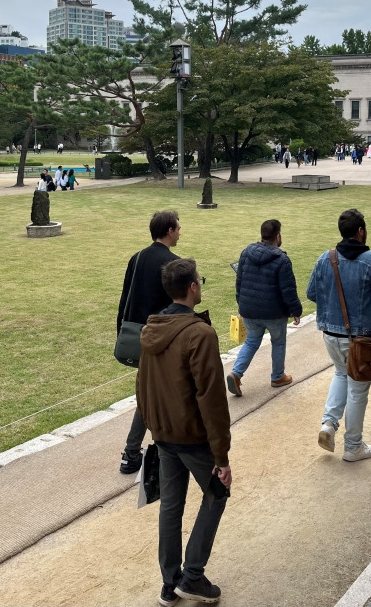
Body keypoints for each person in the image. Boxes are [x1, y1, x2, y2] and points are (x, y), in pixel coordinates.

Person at [137, 258, 231, 606]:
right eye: (199, 281)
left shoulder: (152, 329)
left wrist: (153, 426)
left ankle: (169, 581)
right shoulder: (199, 335)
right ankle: (191, 575)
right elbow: (212, 398)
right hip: (191, 437)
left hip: (163, 435)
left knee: (170, 508)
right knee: (217, 495)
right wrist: (221, 456)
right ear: (193, 287)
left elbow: (142, 387)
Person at [307, 208, 371, 462]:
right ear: (361, 231)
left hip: (330, 334)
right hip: (361, 338)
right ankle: (353, 446)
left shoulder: (325, 258)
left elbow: (312, 293)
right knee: (357, 390)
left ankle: (329, 423)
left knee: (342, 373)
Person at [117, 210, 181, 474]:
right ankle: (136, 451)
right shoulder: (174, 264)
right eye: (178, 227)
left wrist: (121, 331)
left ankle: (137, 451)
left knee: (151, 392)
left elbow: (125, 299)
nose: (180, 231)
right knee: (153, 395)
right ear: (168, 230)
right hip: (162, 340)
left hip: (136, 335)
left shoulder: (138, 257)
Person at [227, 219, 302, 397]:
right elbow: (288, 290)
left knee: (252, 341)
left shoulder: (246, 253)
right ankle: (277, 377)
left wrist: (241, 304)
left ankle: (236, 374)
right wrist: (296, 311)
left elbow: (239, 282)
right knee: (278, 342)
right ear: (278, 236)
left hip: (249, 310)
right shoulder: (282, 259)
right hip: (274, 313)